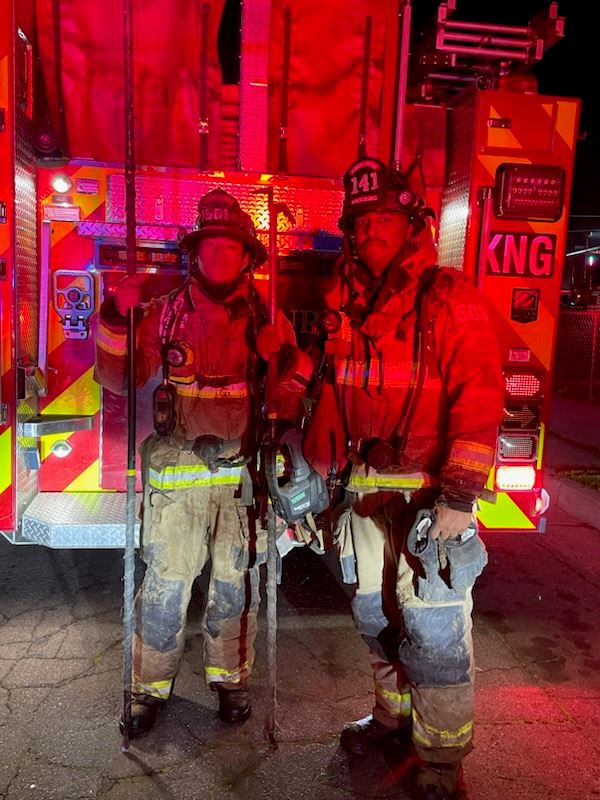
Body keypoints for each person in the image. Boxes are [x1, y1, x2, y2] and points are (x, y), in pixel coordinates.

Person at [303, 157, 503, 800]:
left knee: (435, 626)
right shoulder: (347, 304)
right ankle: (392, 717)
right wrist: (320, 480)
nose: (368, 231)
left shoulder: (448, 295)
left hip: (429, 498)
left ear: (411, 224)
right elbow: (330, 398)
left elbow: (479, 394)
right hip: (365, 492)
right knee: (374, 612)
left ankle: (440, 759)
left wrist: (460, 495)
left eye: (381, 219)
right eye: (359, 223)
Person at [95, 188, 307, 737]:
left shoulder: (268, 318)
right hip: (179, 475)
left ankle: (231, 682)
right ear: (195, 254)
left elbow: (293, 398)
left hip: (242, 479)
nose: (218, 255)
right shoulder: (164, 315)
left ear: (246, 257)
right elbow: (119, 378)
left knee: (235, 586)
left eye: (229, 247)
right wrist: (117, 316)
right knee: (166, 586)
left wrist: (280, 358)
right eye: (209, 246)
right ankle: (147, 689)